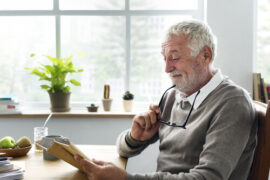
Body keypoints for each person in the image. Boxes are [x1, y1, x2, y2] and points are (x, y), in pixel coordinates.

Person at [74, 20, 257, 180]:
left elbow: (208, 178)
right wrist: (135, 137)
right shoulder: (173, 95)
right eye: (165, 59)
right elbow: (122, 150)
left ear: (205, 55)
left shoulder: (233, 103)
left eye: (175, 58)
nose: (167, 68)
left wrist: (126, 179)